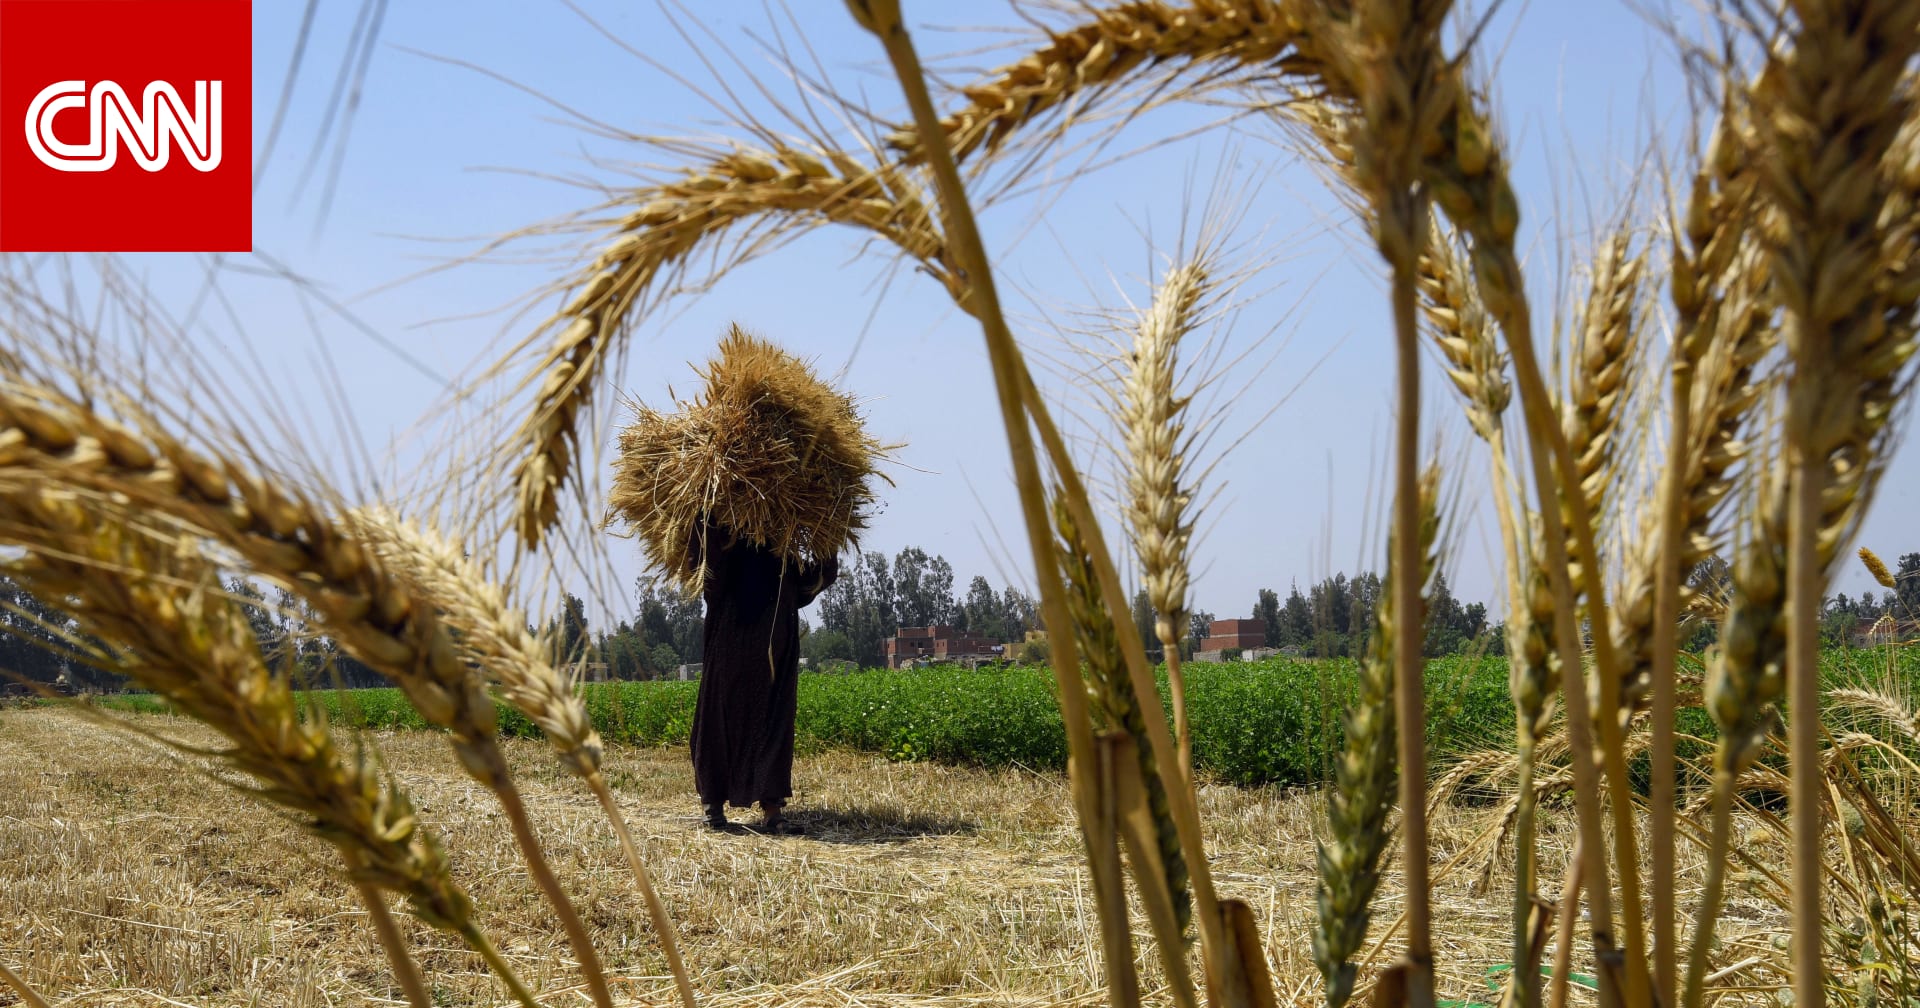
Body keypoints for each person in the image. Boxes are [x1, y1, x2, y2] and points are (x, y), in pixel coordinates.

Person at [687, 519, 838, 834]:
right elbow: (706, 578)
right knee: (719, 719)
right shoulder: (722, 538)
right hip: (731, 643)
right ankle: (712, 804)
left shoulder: (782, 554)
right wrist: (706, 522)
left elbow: (808, 586)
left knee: (773, 726)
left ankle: (772, 809)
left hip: (775, 651)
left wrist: (829, 538)